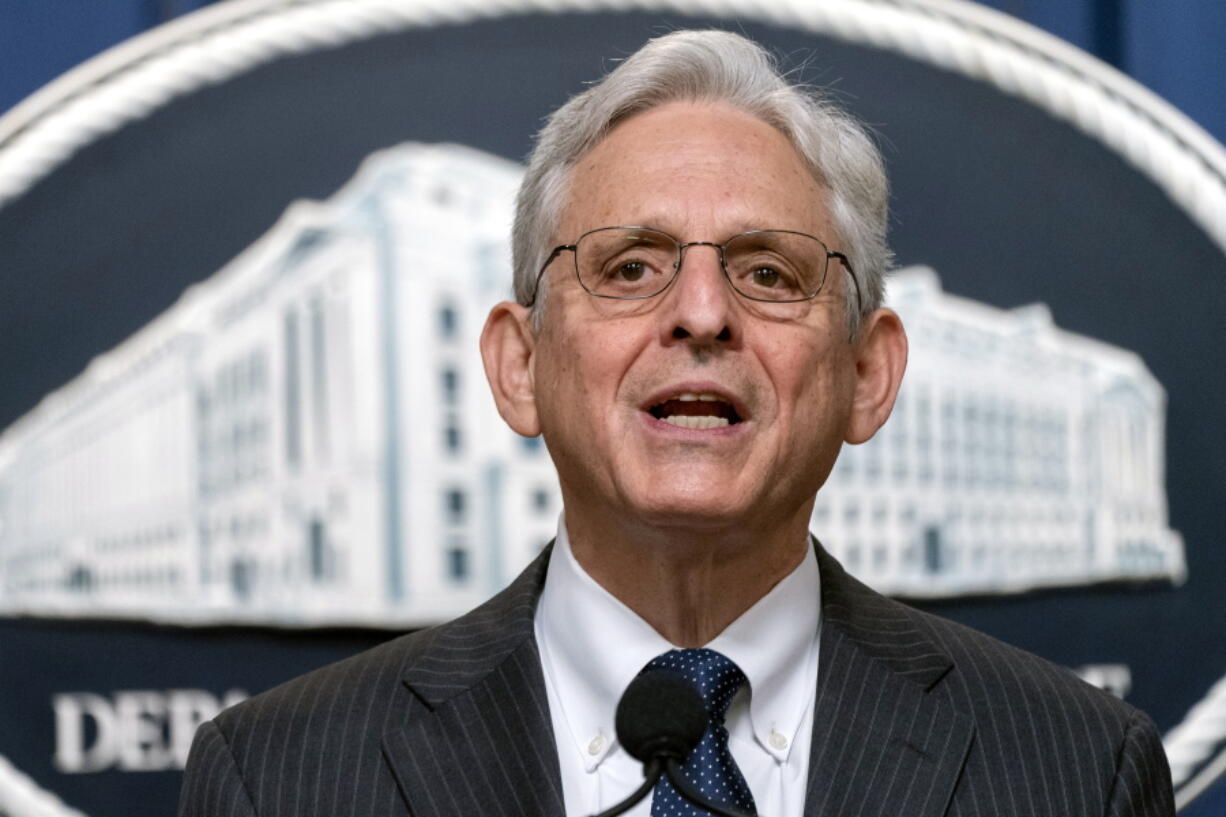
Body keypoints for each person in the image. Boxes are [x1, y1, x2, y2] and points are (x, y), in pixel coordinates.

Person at [177, 29, 1174, 817]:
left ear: (866, 374)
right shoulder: (278, 779)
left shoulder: (1079, 771)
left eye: (766, 272)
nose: (701, 313)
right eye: (630, 267)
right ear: (518, 367)